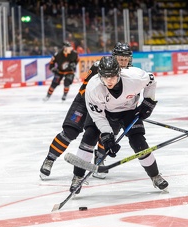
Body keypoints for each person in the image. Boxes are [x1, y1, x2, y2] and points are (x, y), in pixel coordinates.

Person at [69, 55, 168, 194]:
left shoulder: (134, 78)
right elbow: (98, 116)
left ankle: (155, 176)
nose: (109, 80)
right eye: (105, 77)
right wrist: (108, 136)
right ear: (99, 75)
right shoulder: (93, 88)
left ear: (119, 73)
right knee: (89, 136)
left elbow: (151, 80)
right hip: (105, 112)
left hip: (128, 111)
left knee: (138, 141)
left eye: (113, 76)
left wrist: (149, 102)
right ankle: (78, 177)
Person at [39, 42, 133, 180]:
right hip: (84, 102)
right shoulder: (99, 66)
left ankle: (100, 158)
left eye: (126, 59)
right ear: (114, 57)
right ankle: (50, 159)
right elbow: (84, 88)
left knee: (106, 133)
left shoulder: (131, 74)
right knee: (69, 132)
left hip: (107, 107)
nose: (123, 62)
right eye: (120, 59)